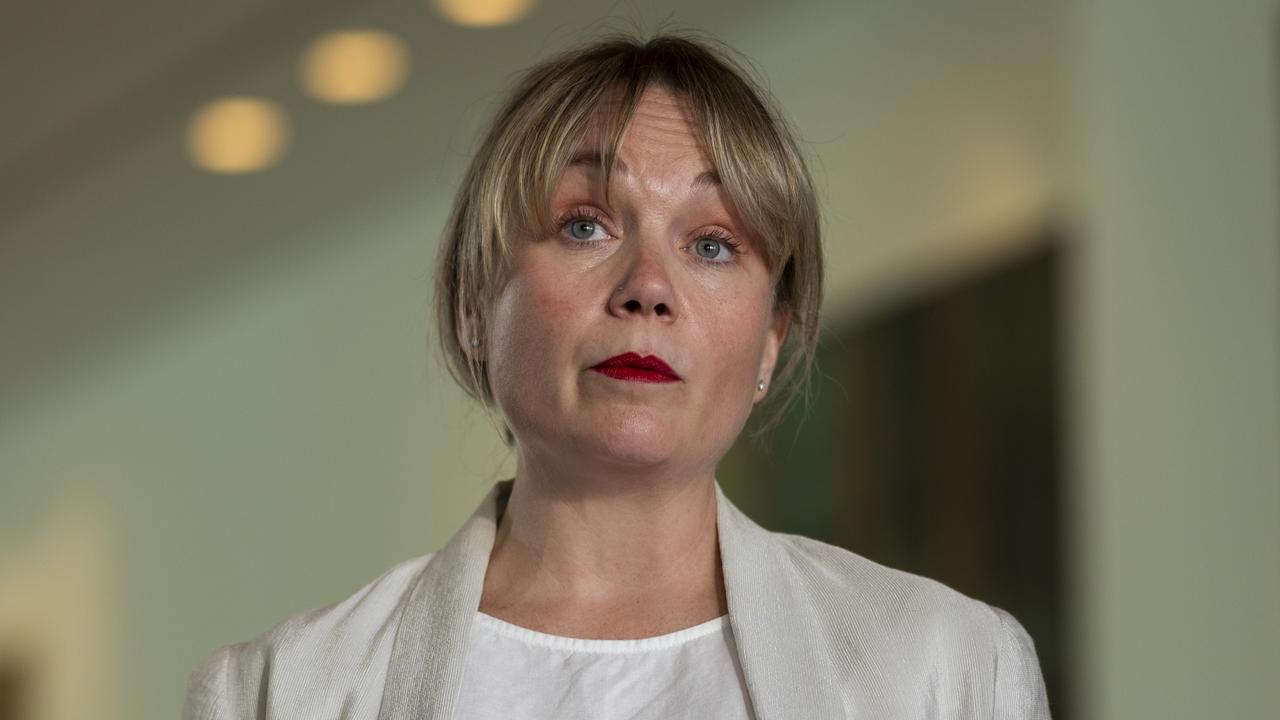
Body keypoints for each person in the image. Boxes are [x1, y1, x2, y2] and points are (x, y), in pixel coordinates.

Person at [183, 33, 1051, 719]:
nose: (648, 290)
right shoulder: (276, 694)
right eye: (586, 226)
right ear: (473, 302)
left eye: (713, 244)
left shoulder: (946, 669)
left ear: (772, 340)